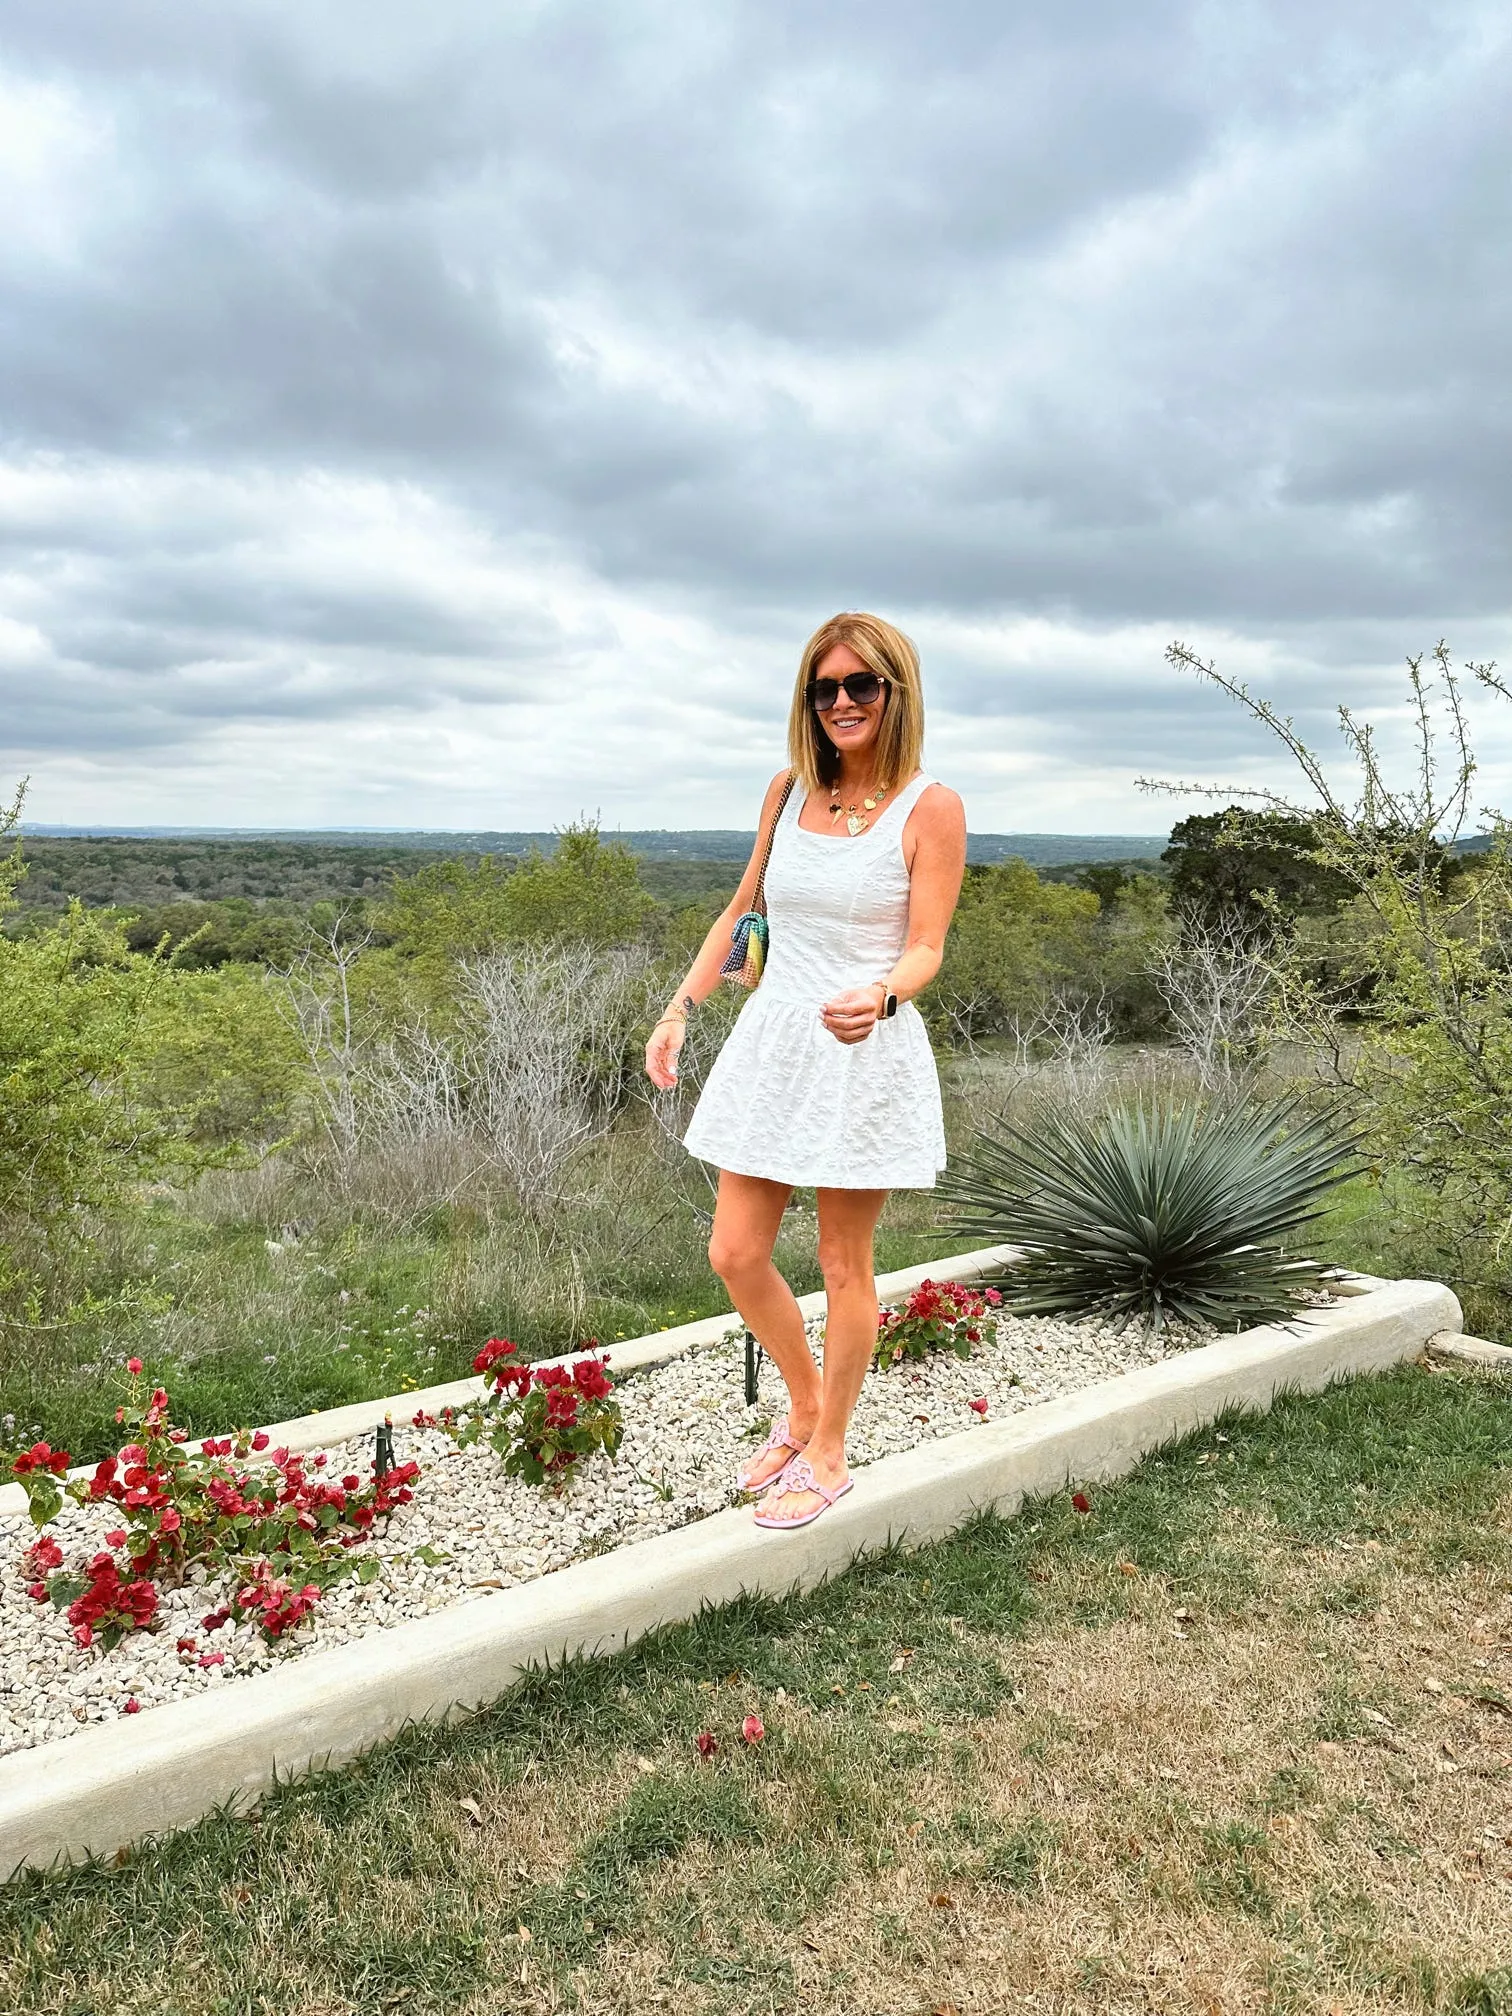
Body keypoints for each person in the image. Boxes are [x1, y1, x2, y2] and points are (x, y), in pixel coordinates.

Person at [644, 612, 966, 1529]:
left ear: (893, 693)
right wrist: (679, 1011)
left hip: (864, 1045)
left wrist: (886, 996)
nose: (839, 702)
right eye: (823, 687)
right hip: (775, 1039)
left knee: (842, 1261)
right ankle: (803, 1403)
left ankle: (829, 1450)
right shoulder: (789, 790)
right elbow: (740, 911)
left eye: (859, 685)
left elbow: (928, 944)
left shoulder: (929, 806)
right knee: (734, 1253)